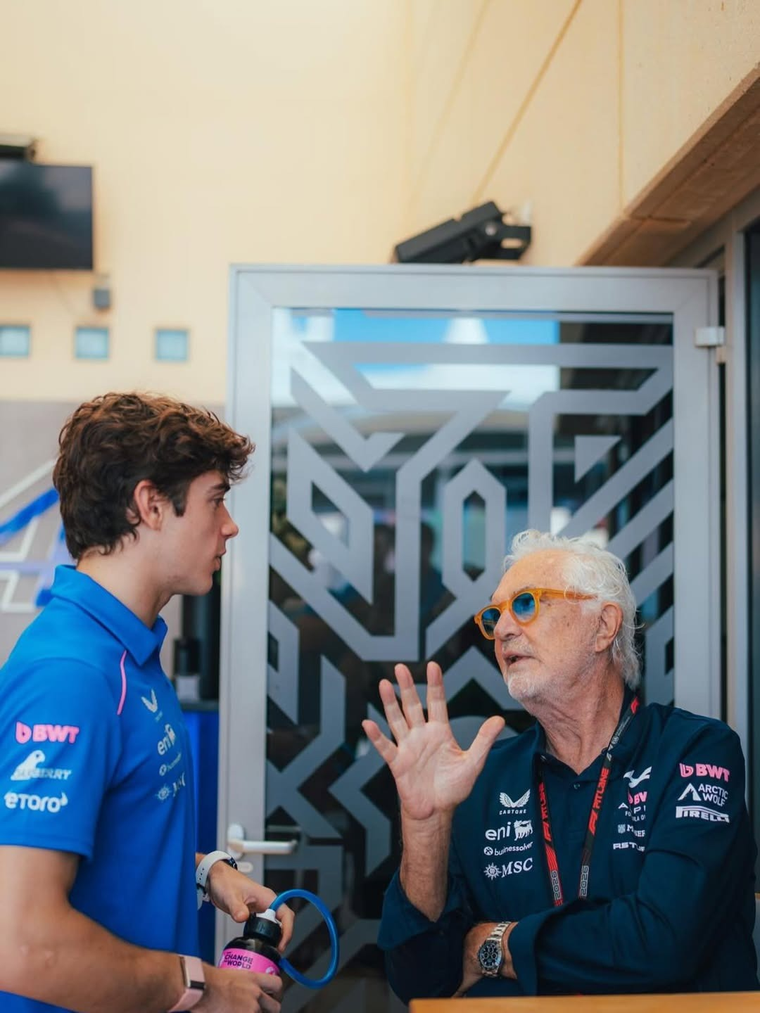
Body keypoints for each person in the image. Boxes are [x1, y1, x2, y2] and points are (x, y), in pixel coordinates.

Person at [364, 529, 758, 1000]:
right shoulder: (482, 778)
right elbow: (421, 980)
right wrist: (425, 826)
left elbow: (662, 941)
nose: (504, 628)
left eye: (526, 604)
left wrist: (492, 945)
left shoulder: (695, 751)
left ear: (603, 625)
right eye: (495, 616)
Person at [0, 392, 293, 1013]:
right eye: (215, 500)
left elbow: (98, 829)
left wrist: (204, 871)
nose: (230, 525)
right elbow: (21, 943)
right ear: (151, 504)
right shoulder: (70, 676)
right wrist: (200, 986)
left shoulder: (125, 652)